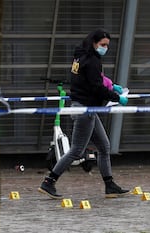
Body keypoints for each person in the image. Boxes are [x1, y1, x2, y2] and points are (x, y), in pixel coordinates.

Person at [38, 28, 129, 199]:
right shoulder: (93, 60)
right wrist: (117, 97)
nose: (105, 48)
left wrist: (112, 84)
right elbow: (96, 86)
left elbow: (96, 78)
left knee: (104, 146)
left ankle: (109, 185)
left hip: (87, 108)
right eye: (103, 45)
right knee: (76, 151)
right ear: (94, 43)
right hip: (85, 110)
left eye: (107, 45)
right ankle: (49, 182)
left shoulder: (81, 57)